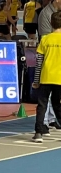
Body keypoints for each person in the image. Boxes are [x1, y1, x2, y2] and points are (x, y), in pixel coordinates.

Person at [32, 11, 61, 143]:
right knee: (58, 105)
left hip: (46, 77)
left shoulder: (45, 39)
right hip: (59, 78)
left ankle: (38, 132)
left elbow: (39, 62)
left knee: (42, 105)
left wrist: (36, 80)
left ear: (51, 23)